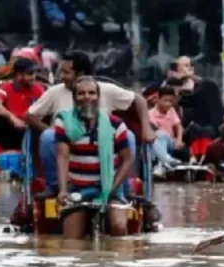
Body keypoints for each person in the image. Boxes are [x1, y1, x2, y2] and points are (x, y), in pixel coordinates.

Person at [26, 51, 154, 191]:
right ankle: (55, 186)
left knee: (128, 136)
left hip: (102, 144)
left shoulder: (105, 90)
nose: (61, 77)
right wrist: (49, 130)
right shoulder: (57, 92)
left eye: (66, 72)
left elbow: (138, 100)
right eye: (81, 94)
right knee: (48, 137)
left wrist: (146, 128)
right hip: (67, 144)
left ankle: (120, 186)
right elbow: (30, 115)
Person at [54, 77, 134, 240]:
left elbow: (127, 159)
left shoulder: (116, 125)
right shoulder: (64, 121)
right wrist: (62, 190)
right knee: (71, 240)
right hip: (78, 189)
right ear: (74, 98)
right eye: (81, 93)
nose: (87, 97)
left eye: (91, 93)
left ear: (98, 97)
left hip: (111, 189)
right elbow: (63, 156)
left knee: (119, 227)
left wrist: (111, 189)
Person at [0, 57, 45, 166]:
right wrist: (12, 118)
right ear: (19, 75)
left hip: (31, 129)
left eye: (34, 73)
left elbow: (44, 108)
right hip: (11, 131)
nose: (33, 77)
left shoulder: (38, 89)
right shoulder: (6, 87)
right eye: (30, 74)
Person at [149, 86, 185, 170]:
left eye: (171, 101)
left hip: (170, 142)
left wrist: (179, 140)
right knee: (159, 134)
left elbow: (179, 126)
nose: (168, 104)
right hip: (157, 142)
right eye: (165, 101)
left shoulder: (171, 111)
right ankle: (165, 161)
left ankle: (164, 161)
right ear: (158, 99)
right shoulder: (150, 114)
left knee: (161, 134)